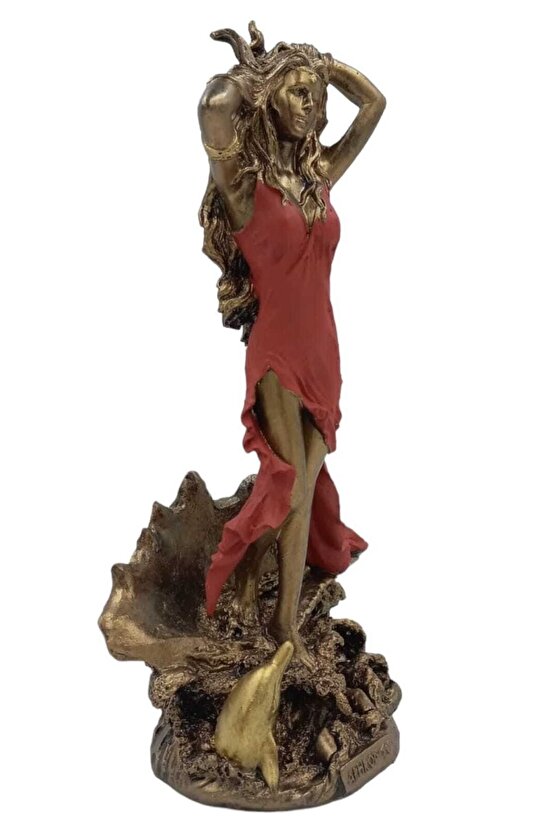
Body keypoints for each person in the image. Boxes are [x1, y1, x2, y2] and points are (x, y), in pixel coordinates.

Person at [198, 23, 386, 667]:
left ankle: (260, 588)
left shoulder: (319, 173)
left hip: (323, 347)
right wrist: (256, 73)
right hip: (277, 350)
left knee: (300, 482)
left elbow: (374, 104)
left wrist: (321, 64)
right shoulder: (244, 185)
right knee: (292, 481)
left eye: (316, 96)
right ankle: (278, 619)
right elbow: (215, 107)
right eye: (297, 94)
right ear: (270, 98)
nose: (312, 106)